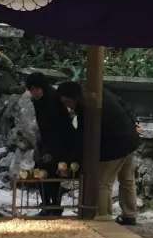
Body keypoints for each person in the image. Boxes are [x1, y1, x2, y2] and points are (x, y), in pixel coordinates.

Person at [56, 81, 141, 225]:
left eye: (66, 102)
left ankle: (103, 215)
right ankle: (129, 213)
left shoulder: (89, 108)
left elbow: (85, 136)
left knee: (103, 182)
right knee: (127, 180)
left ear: (73, 97)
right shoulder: (102, 93)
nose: (67, 106)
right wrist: (134, 122)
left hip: (116, 144)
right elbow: (124, 105)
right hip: (129, 138)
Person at [25, 72, 78, 216]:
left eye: (35, 89)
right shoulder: (39, 101)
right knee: (40, 171)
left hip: (62, 143)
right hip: (48, 141)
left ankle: (54, 206)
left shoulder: (53, 100)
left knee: (52, 172)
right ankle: (48, 205)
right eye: (31, 89)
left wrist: (50, 151)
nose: (33, 92)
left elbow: (58, 129)